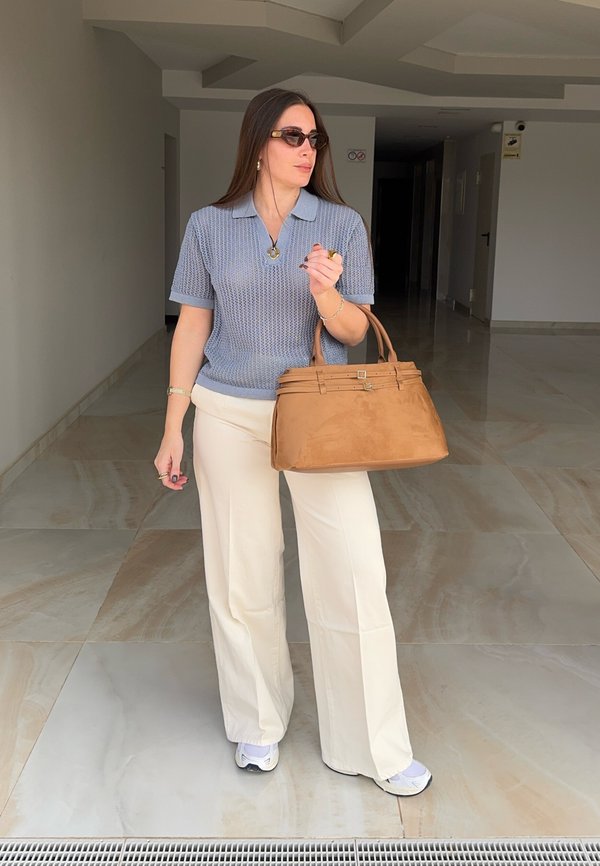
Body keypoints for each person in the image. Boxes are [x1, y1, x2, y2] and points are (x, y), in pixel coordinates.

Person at [154, 87, 432, 797]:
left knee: (354, 571)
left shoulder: (340, 224)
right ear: (257, 144)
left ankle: (372, 744)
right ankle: (256, 721)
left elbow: (354, 334)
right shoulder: (209, 226)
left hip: (321, 412)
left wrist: (326, 295)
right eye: (292, 136)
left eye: (315, 139)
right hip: (226, 410)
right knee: (241, 575)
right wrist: (172, 425)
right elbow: (192, 325)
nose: (308, 149)